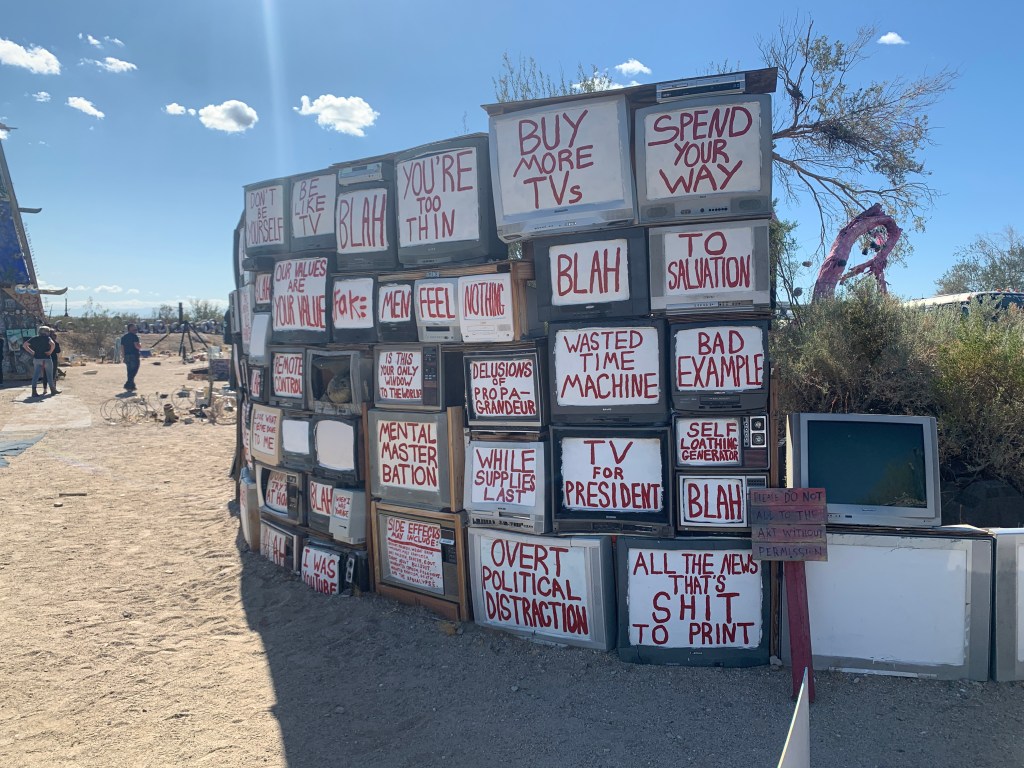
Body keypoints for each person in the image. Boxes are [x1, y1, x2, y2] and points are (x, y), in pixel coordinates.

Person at [22, 325, 56, 397]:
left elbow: (25, 345)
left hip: (37, 358)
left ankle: (34, 391)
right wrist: (50, 351)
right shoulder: (47, 338)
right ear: (46, 332)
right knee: (49, 375)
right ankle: (52, 390)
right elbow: (53, 344)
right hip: (46, 358)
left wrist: (31, 352)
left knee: (36, 375)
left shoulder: (34, 338)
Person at [120, 323, 142, 391]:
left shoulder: (123, 337)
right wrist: (140, 345)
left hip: (127, 355)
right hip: (134, 355)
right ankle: (128, 385)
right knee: (134, 371)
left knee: (129, 371)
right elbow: (137, 346)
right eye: (134, 328)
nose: (136, 330)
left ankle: (132, 386)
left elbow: (122, 347)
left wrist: (123, 356)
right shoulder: (135, 337)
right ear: (130, 329)